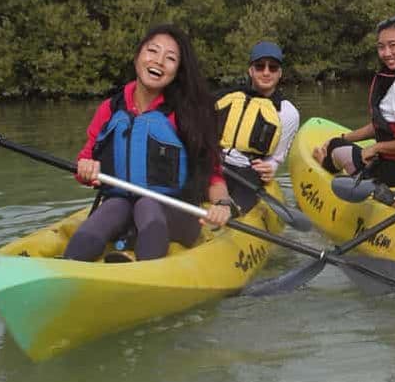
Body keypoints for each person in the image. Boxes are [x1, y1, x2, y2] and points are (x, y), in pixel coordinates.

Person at [64, 24, 236, 262]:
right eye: (152, 51)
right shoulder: (110, 109)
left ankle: (145, 272)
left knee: (146, 203)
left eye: (170, 58)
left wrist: (223, 204)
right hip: (123, 206)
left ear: (177, 70)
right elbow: (85, 161)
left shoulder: (187, 114)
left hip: (178, 213)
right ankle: (69, 266)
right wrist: (85, 169)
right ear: (137, 57)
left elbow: (212, 174)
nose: (159, 61)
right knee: (113, 207)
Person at [312, 15, 395, 191]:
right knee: (339, 142)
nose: (386, 53)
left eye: (393, 45)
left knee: (335, 147)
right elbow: (384, 127)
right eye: (381, 47)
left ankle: (324, 164)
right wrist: (345, 137)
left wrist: (376, 147)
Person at [216, 41, 300, 213]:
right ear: (251, 70)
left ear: (280, 73)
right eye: (260, 66)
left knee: (239, 205)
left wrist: (270, 168)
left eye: (273, 67)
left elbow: (277, 157)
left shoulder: (288, 113)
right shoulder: (227, 97)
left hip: (248, 170)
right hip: (215, 162)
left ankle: (234, 214)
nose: (266, 72)